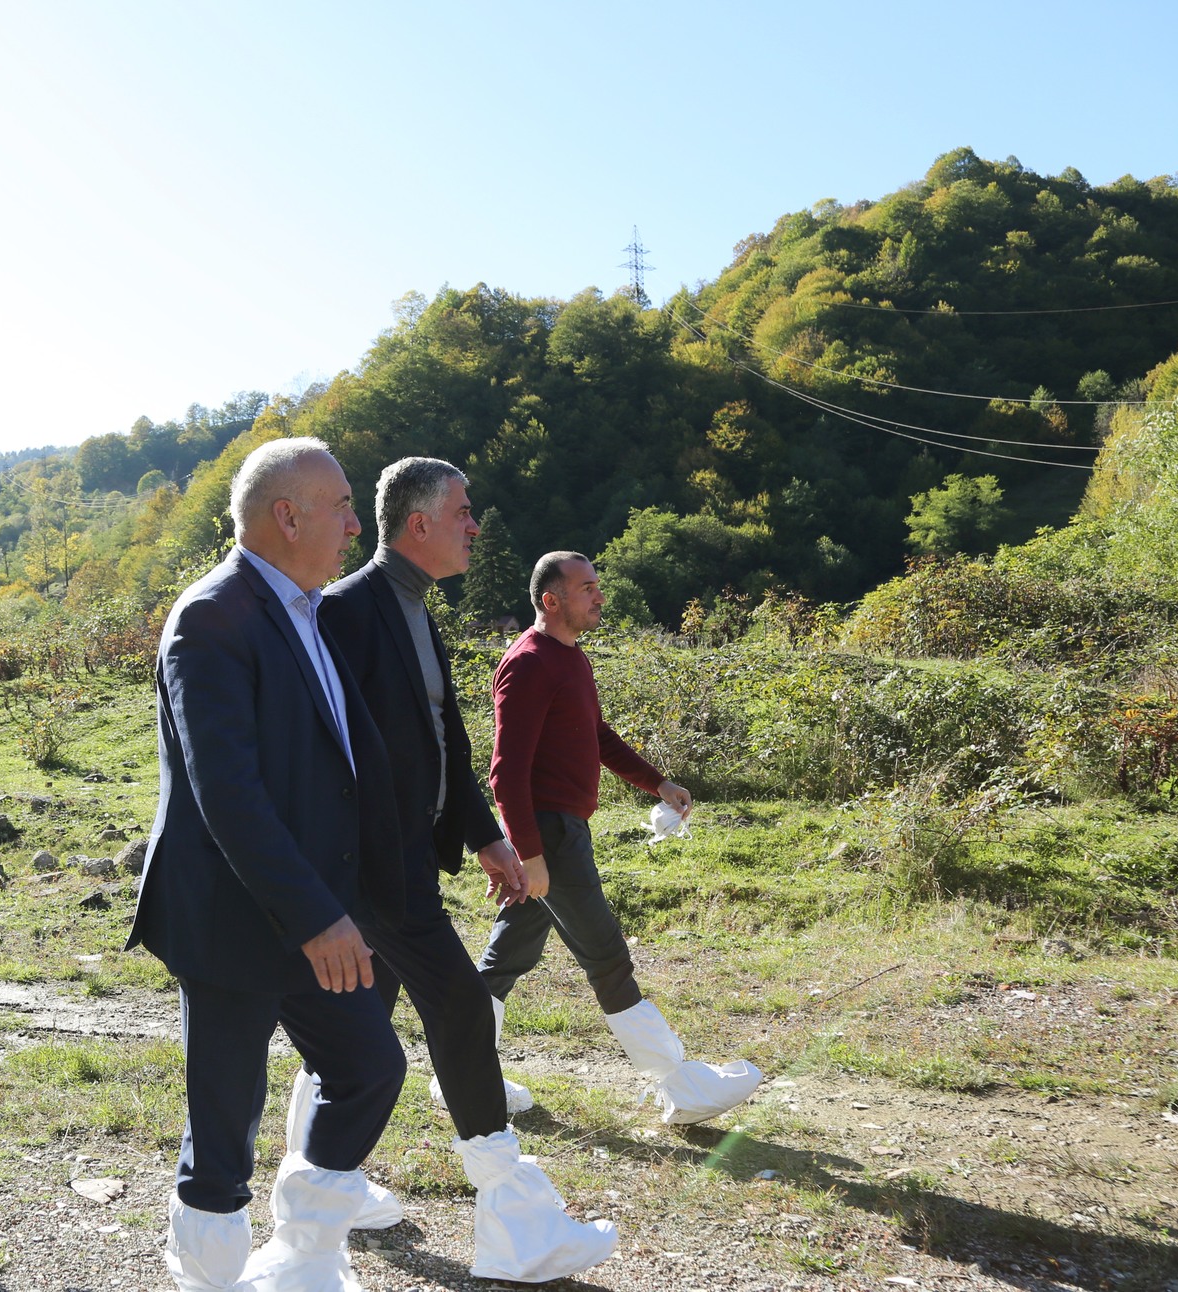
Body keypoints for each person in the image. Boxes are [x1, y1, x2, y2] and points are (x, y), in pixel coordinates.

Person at [318, 458, 617, 1282]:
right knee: (458, 1006)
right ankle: (515, 1227)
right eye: (463, 512)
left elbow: (443, 738)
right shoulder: (347, 610)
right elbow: (325, 749)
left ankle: (325, 1183)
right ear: (418, 523)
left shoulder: (415, 607)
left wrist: (487, 837)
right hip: (372, 871)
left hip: (407, 860)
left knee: (357, 1023)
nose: (475, 526)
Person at [127, 437, 407, 1292]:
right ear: (287, 516)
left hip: (318, 905)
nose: (356, 526)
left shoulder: (307, 610)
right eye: (343, 507)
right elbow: (228, 794)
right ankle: (208, 1279)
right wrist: (315, 916)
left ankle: (299, 1259)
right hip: (232, 917)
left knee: (370, 1068)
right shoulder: (210, 617)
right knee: (224, 1128)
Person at [475, 553, 763, 1124]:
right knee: (606, 956)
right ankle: (681, 1085)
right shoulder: (528, 662)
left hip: (560, 830)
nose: (599, 598)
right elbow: (505, 773)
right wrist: (531, 855)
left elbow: (597, 736)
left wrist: (658, 782)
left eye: (597, 587)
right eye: (587, 589)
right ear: (551, 600)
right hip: (548, 834)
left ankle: (463, 1071)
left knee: (507, 956)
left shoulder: (570, 658)